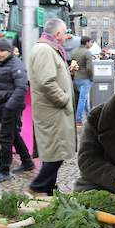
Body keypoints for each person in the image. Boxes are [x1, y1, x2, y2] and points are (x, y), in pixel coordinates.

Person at [27, 18, 76, 196]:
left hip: (54, 112)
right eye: (64, 34)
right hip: (53, 112)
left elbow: (51, 76)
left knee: (56, 153)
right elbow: (47, 82)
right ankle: (38, 186)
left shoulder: (49, 49)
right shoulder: (44, 50)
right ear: (57, 34)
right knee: (55, 154)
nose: (65, 37)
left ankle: (48, 190)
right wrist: (63, 99)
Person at [0, 39, 34, 183]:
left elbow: (21, 88)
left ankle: (4, 170)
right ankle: (27, 162)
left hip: (11, 107)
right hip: (0, 106)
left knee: (6, 138)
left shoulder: (16, 64)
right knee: (13, 135)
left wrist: (9, 106)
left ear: (9, 51)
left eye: (2, 50)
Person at [71, 36, 94, 126]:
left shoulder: (74, 51)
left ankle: (88, 115)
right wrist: (91, 77)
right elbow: (89, 68)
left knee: (83, 99)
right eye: (91, 42)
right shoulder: (87, 52)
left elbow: (73, 65)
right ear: (87, 42)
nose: (91, 44)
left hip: (77, 78)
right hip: (85, 79)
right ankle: (78, 120)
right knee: (82, 99)